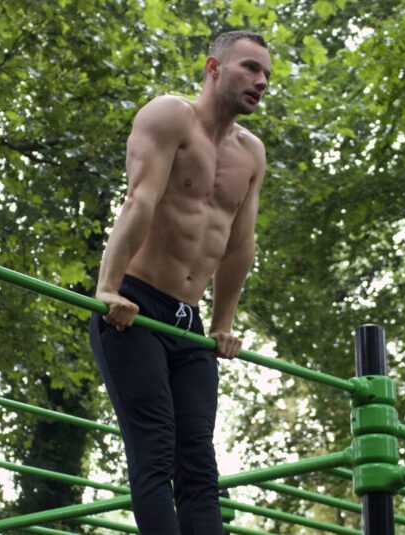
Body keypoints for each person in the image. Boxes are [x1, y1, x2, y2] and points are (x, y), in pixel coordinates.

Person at [88, 30, 271, 534]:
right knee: (157, 448)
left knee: (200, 462)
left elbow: (238, 245)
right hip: (136, 306)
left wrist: (223, 322)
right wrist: (109, 288)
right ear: (214, 67)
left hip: (190, 324)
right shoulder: (169, 115)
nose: (261, 81)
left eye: (266, 75)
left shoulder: (252, 154)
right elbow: (139, 200)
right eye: (250, 68)